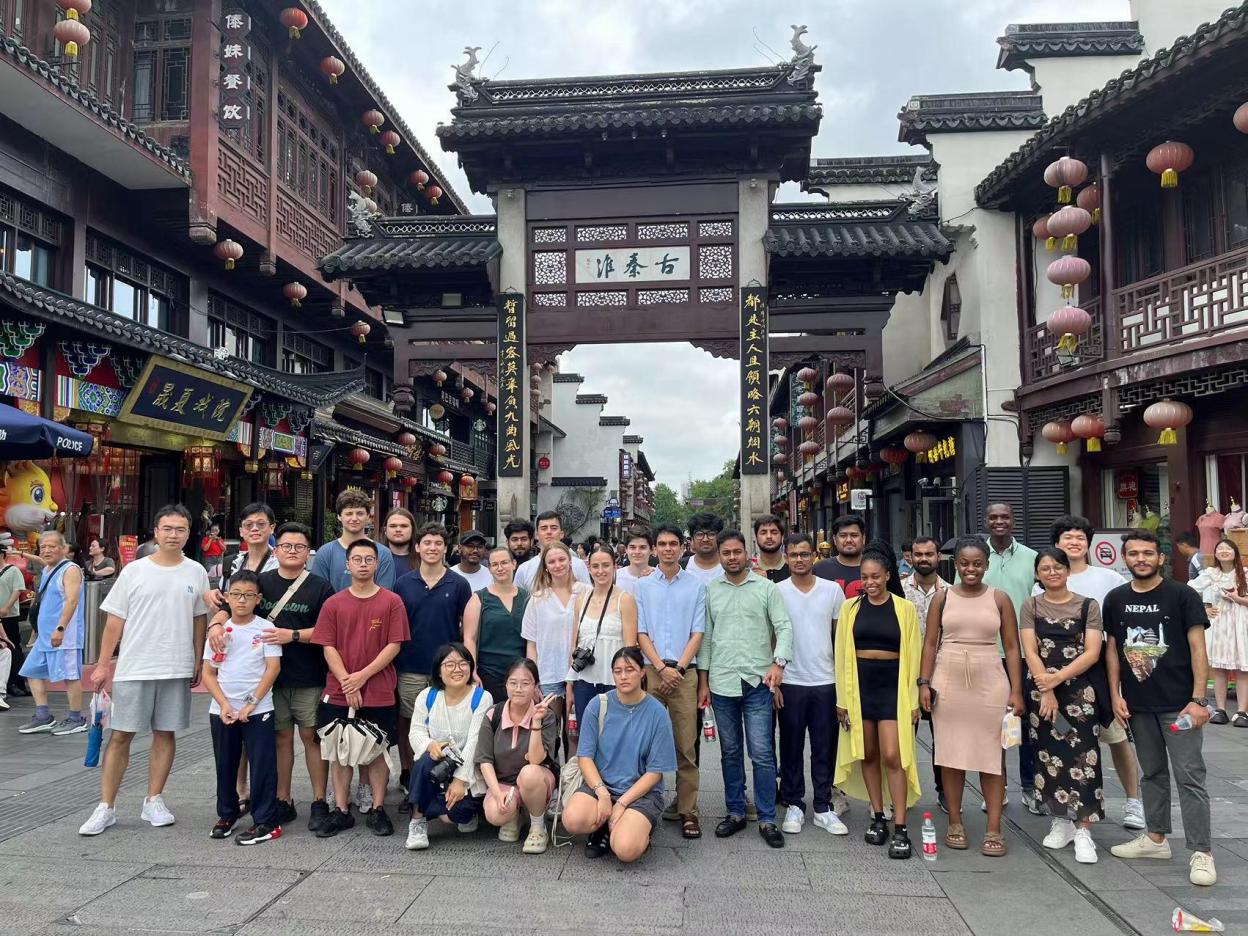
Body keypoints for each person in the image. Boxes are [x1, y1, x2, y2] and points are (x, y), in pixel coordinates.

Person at [80, 505, 211, 836]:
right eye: (167, 528)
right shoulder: (134, 571)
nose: (173, 535)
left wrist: (198, 659)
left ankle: (153, 799)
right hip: (135, 665)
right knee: (121, 734)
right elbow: (114, 621)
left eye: (180, 529)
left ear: (188, 533)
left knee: (166, 732)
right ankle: (106, 806)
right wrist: (102, 665)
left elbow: (199, 619)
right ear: (155, 531)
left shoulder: (196, 571)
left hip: (176, 665)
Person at [1105, 530, 1216, 886]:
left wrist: (1199, 700)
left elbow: (1198, 649)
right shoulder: (1116, 598)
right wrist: (1115, 694)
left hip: (1180, 705)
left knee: (1189, 777)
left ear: (1161, 558)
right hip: (1138, 705)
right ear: (1125, 558)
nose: (1141, 559)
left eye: (1148, 553)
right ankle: (1155, 838)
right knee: (1151, 773)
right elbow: (1112, 650)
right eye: (1134, 553)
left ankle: (1201, 851)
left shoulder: (1182, 595)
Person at [919, 536, 1024, 858]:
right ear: (956, 564)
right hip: (948, 679)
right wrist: (924, 683)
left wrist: (1016, 690)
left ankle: (994, 827)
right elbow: (930, 643)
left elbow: (1012, 647)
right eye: (964, 563)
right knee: (951, 755)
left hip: (990, 680)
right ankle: (955, 822)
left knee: (992, 757)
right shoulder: (942, 598)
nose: (971, 569)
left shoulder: (1000, 599)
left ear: (986, 565)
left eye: (977, 563)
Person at [1044, 515, 1144, 830]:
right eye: (1067, 537)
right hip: (1060, 672)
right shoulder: (1048, 577)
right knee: (1065, 739)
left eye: (1080, 538)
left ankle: (1133, 801)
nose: (1074, 543)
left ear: (1088, 544)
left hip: (1100, 668)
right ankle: (1067, 807)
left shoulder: (1107, 578)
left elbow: (1119, 628)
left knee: (1116, 736)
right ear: (1056, 543)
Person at [698, 529, 792, 848]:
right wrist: (703, 682)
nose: (732, 557)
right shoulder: (711, 591)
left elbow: (783, 627)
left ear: (746, 553)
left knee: (762, 752)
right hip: (722, 682)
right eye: (726, 553)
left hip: (758, 683)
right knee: (730, 752)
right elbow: (706, 639)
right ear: (720, 557)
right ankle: (736, 811)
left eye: (737, 552)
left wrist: (779, 663)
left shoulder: (766, 588)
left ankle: (766, 817)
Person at [311, 539, 407, 839]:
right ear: (347, 564)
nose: (363, 564)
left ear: (377, 564)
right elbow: (327, 645)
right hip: (338, 689)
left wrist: (362, 677)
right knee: (339, 751)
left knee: (378, 750)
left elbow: (394, 644)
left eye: (369, 559)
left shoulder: (391, 601)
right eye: (357, 559)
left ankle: (378, 808)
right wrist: (346, 680)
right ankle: (341, 809)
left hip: (379, 689)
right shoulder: (333, 603)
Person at [834, 549, 922, 857]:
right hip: (859, 688)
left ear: (887, 575)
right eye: (864, 577)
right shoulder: (850, 608)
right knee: (868, 753)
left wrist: (914, 701)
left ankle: (901, 826)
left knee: (893, 755)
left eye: (875, 576)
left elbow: (914, 655)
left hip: (893, 688)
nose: (869, 582)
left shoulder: (904, 609)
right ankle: (878, 816)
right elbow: (841, 655)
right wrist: (842, 700)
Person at [1021, 548, 1105, 865]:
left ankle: (1083, 828)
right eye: (1045, 568)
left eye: (1058, 567)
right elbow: (1030, 650)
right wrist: (1046, 689)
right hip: (1041, 689)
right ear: (1037, 574)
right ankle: (1061, 820)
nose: (1052, 572)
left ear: (1068, 571)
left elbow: (1092, 652)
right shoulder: (1030, 605)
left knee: (1083, 755)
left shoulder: (1087, 605)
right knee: (1047, 753)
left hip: (1079, 691)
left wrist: (1057, 680)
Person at [252, 522, 334, 831]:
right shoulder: (261, 583)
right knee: (280, 738)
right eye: (286, 546)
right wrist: (217, 622)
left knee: (312, 737)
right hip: (268, 678)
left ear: (308, 552)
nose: (292, 551)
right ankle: (282, 799)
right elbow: (237, 609)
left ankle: (319, 800)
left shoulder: (320, 587)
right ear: (276, 550)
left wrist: (294, 635)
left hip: (309, 675)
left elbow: (329, 630)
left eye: (299, 547)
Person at [562, 646, 678, 862]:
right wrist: (603, 794)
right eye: (617, 671)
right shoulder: (598, 705)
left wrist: (622, 803)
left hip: (641, 793)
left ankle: (634, 828)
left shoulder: (657, 713)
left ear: (642, 672)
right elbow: (585, 757)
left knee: (625, 849)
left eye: (629, 670)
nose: (623, 676)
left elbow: (655, 772)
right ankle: (604, 825)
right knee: (572, 820)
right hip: (601, 785)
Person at [201, 570, 283, 845]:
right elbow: (208, 673)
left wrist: (252, 703)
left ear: (258, 599)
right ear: (227, 597)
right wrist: (224, 704)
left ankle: (266, 820)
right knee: (225, 764)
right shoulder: (219, 632)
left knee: (262, 765)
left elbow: (272, 669)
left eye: (248, 595)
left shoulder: (266, 629)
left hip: (258, 709)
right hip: (222, 709)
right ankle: (227, 814)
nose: (241, 600)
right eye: (236, 594)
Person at [636, 523, 706, 838]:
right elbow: (640, 632)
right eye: (662, 544)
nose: (667, 549)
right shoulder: (643, 586)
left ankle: (688, 810)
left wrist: (677, 668)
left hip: (684, 674)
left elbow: (698, 632)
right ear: (655, 548)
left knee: (685, 746)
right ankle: (641, 806)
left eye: (673, 544)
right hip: (651, 672)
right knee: (644, 744)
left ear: (682, 547)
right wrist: (660, 668)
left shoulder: (696, 586)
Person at [777, 532, 847, 837]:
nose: (799, 559)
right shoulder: (776, 591)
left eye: (805, 554)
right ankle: (794, 803)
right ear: (786, 557)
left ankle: (822, 806)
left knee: (824, 747)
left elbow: (840, 638)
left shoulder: (832, 591)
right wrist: (775, 680)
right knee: (790, 746)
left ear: (814, 556)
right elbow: (771, 636)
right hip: (790, 680)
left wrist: (843, 684)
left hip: (825, 680)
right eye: (793, 555)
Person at [393, 523, 472, 792]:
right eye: (427, 543)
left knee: (447, 722)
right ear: (417, 547)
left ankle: (443, 777)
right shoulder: (403, 584)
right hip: (410, 665)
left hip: (448, 669)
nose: (432, 548)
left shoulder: (459, 584)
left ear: (446, 548)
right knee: (409, 722)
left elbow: (467, 628)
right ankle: (409, 774)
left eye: (438, 543)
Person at [405, 643, 493, 850]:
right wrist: (430, 745)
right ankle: (417, 821)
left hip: (469, 769)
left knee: (453, 816)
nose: (457, 669)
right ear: (439, 670)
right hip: (438, 765)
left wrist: (460, 780)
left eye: (463, 663)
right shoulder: (428, 696)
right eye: (450, 664)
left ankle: (452, 808)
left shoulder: (481, 697)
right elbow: (415, 732)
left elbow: (475, 741)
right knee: (424, 762)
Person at [980, 502, 1038, 814]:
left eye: (1005, 516)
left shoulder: (1031, 557)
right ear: (985, 521)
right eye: (993, 517)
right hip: (987, 652)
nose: (999, 521)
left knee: (1026, 722)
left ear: (1013, 520)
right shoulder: (976, 556)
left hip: (1025, 652)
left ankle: (1030, 786)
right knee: (990, 724)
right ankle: (996, 788)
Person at [476, 658, 559, 853]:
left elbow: (536, 760)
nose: (518, 689)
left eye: (525, 683)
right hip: (505, 783)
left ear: (535, 687)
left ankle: (537, 825)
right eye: (513, 683)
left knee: (529, 773)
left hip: (536, 780)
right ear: (506, 685)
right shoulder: (493, 713)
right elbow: (484, 760)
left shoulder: (546, 715)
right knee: (495, 814)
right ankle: (515, 815)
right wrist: (497, 793)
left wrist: (536, 722)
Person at [17, 532, 87, 735]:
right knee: (31, 671)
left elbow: (72, 600)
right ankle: (43, 716)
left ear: (64, 548)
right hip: (45, 636)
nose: (47, 550)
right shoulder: (49, 568)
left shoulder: (70, 570)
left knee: (70, 676)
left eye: (52, 546)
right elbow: (41, 560)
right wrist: (21, 554)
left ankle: (76, 719)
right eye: (43, 547)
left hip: (65, 636)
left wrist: (60, 628)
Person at [900, 536, 950, 809]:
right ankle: (903, 791)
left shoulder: (952, 592)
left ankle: (944, 790)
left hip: (942, 673)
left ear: (938, 556)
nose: (923, 559)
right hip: (906, 673)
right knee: (905, 735)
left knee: (942, 737)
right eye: (918, 554)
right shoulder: (899, 590)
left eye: (929, 554)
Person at [567, 544, 639, 726]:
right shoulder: (581, 599)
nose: (600, 571)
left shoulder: (625, 600)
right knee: (587, 732)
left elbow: (630, 648)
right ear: (589, 568)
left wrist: (629, 683)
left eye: (606, 565)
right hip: (584, 680)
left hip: (615, 681)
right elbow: (575, 643)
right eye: (595, 566)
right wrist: (570, 683)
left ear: (614, 566)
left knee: (616, 734)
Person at [1188, 538, 1248, 727]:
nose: (1224, 551)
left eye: (1228, 548)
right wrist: (1204, 609)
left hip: (1241, 623)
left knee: (1243, 669)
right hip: (1219, 623)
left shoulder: (1245, 573)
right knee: (1219, 669)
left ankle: (1242, 712)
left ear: (1235, 553)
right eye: (1220, 548)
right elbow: (1189, 590)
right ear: (1215, 554)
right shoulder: (1210, 574)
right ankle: (1220, 710)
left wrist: (1238, 599)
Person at [522, 541, 590, 703]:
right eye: (551, 562)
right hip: (548, 674)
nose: (557, 565)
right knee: (550, 719)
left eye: (562, 559)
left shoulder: (586, 592)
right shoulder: (537, 598)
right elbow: (531, 644)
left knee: (580, 719)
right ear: (545, 567)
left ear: (570, 561)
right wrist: (533, 678)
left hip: (583, 672)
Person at [463, 547, 529, 702]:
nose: (500, 568)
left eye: (504, 562)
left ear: (514, 564)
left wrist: (532, 672)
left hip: (521, 672)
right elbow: (469, 638)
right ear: (489, 569)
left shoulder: (527, 597)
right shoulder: (479, 598)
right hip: (489, 673)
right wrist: (472, 670)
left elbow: (533, 640)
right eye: (494, 564)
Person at [310, 490, 396, 592]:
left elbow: (385, 595)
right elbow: (318, 593)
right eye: (349, 513)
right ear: (339, 516)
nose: (354, 518)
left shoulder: (383, 553)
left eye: (360, 513)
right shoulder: (325, 553)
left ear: (368, 516)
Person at [515, 512, 590, 591]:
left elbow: (588, 595)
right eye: (544, 528)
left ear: (561, 534)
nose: (549, 532)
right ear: (537, 535)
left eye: (554, 528)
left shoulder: (578, 565)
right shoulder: (524, 569)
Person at [0, 544, 29, 698]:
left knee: (13, 647)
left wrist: (6, 607)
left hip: (9, 615)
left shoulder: (13, 570)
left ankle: (17, 682)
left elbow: (17, 590)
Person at [814, 515, 866, 598]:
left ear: (863, 538)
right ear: (835, 539)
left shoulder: (877, 569)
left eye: (854, 535)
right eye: (843, 535)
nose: (849, 540)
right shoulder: (819, 569)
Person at [682, 512, 725, 586]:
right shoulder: (681, 567)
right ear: (692, 539)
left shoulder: (729, 565)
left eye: (711, 534)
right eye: (699, 534)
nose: (705, 539)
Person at [615, 527, 655, 596]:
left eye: (642, 547)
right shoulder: (615, 578)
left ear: (651, 550)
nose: (637, 552)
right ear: (626, 549)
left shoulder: (660, 577)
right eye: (632, 547)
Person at [752, 515, 790, 583]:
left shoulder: (793, 568)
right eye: (763, 533)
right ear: (756, 538)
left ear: (782, 537)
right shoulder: (750, 571)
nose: (769, 536)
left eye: (774, 532)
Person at [383, 507, 418, 575]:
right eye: (393, 526)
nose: (398, 530)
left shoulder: (423, 559)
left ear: (412, 530)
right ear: (385, 530)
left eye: (404, 526)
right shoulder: (376, 557)